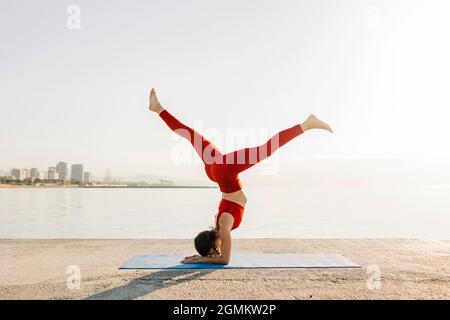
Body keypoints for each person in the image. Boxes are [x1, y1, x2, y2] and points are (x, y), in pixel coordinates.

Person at [149, 88, 333, 264]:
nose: (219, 252)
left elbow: (224, 261)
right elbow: (220, 252)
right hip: (215, 171)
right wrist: (204, 255)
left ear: (213, 248)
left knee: (265, 150)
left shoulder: (224, 226)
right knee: (190, 136)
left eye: (214, 251)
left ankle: (307, 124)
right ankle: (159, 110)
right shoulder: (218, 224)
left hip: (223, 172)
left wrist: (203, 258)